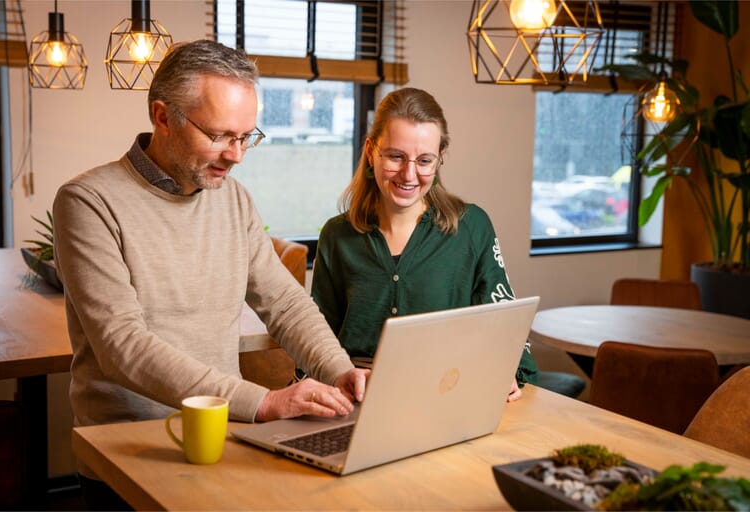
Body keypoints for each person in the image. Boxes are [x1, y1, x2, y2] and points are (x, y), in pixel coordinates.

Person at [52, 40, 368, 508]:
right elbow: (121, 345)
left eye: (246, 137)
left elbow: (284, 303)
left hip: (220, 438)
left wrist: (339, 370)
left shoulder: (233, 198)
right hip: (128, 449)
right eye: (220, 136)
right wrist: (261, 403)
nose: (237, 155)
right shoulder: (87, 202)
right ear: (163, 117)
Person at [311, 87, 538, 402]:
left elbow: (504, 320)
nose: (409, 174)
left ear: (440, 158)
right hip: (356, 396)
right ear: (370, 151)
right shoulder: (337, 236)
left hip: (446, 394)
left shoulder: (472, 227)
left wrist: (508, 367)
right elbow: (317, 335)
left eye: (425, 160)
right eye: (395, 156)